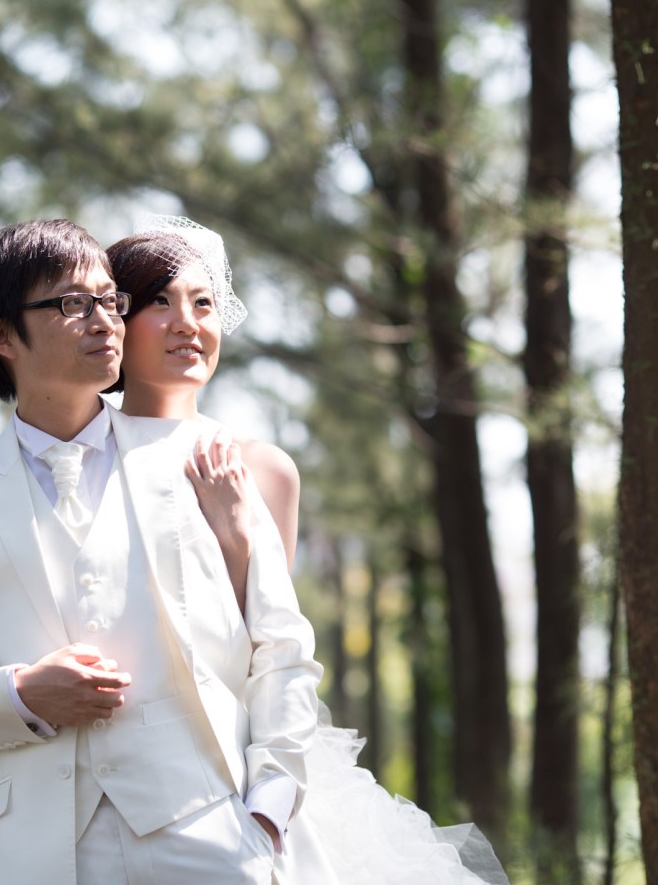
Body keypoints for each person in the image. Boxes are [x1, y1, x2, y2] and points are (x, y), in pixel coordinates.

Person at [0, 218, 323, 885]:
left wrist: (268, 806)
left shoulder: (203, 460)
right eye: (73, 303)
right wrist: (22, 694)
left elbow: (282, 646)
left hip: (209, 838)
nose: (105, 321)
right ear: (3, 336)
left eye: (110, 300)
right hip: (27, 858)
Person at [102, 214, 512, 885]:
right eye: (160, 303)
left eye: (203, 304)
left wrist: (236, 532)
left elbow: (264, 643)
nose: (187, 323)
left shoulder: (263, 468)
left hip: (238, 759)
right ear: (115, 321)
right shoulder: (80, 459)